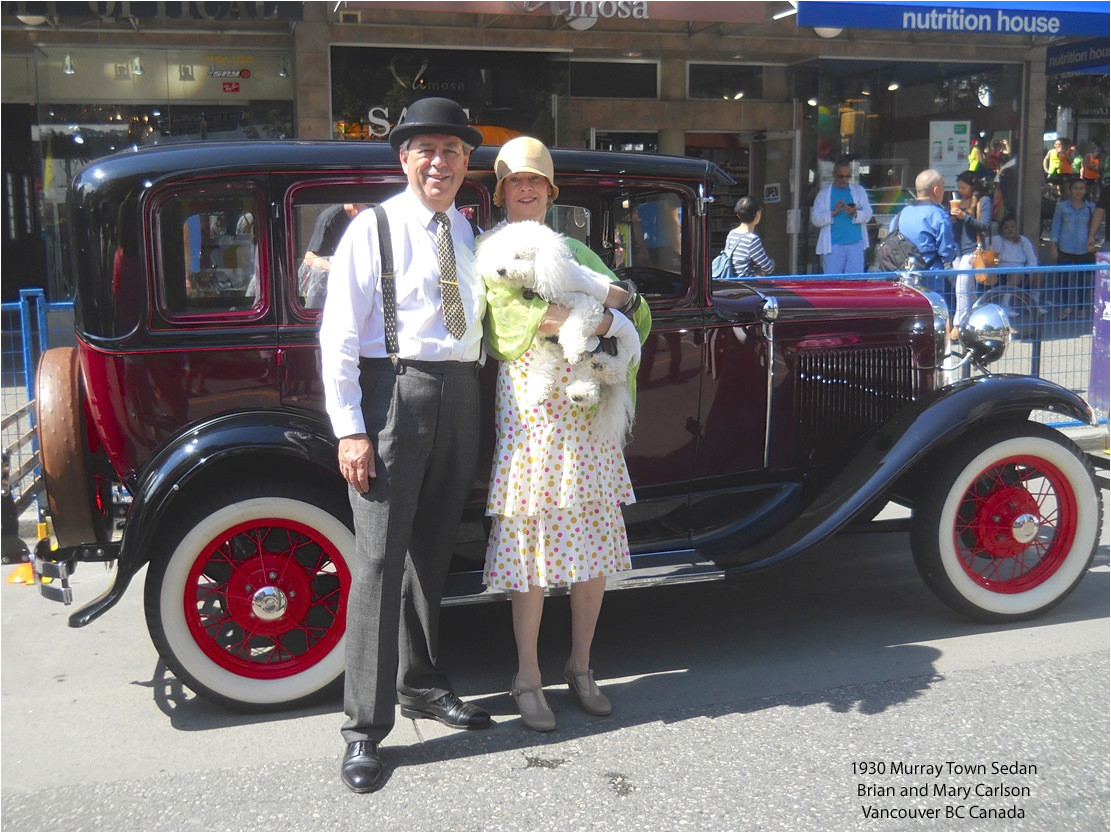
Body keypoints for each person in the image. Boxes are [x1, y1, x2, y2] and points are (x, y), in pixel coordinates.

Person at [319, 97, 491, 794]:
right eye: (426, 149)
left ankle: (422, 684)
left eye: (452, 150)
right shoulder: (373, 229)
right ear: (403, 158)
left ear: (465, 164)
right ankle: (364, 728)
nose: (439, 162)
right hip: (394, 393)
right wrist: (351, 428)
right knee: (380, 559)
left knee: (432, 550)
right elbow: (335, 334)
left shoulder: (469, 229)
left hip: (461, 392)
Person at [478, 136, 651, 732]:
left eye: (536, 182)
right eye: (514, 182)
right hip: (531, 411)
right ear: (502, 193)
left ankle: (581, 666)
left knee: (592, 540)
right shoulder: (491, 250)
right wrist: (589, 315)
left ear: (550, 192)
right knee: (531, 541)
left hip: (587, 412)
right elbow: (507, 325)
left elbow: (639, 312)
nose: (525, 190)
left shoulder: (573, 247)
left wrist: (603, 316)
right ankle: (527, 675)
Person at [887, 169, 958, 300]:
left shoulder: (901, 214)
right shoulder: (939, 215)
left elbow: (890, 237)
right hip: (930, 276)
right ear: (936, 191)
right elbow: (947, 251)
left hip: (902, 276)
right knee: (933, 315)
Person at [809, 159, 873, 274]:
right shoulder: (823, 194)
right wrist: (832, 213)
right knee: (833, 283)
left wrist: (855, 213)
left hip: (855, 243)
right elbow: (815, 220)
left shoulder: (859, 191)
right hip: (833, 245)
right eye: (841, 176)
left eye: (847, 176)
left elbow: (868, 214)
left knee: (854, 283)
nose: (844, 180)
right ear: (833, 175)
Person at [949, 170, 994, 333]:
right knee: (966, 287)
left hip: (974, 248)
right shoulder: (960, 202)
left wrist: (964, 217)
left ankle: (957, 325)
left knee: (962, 285)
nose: (960, 191)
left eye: (963, 187)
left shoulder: (984, 201)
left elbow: (985, 225)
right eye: (958, 187)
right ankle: (974, 317)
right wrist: (954, 220)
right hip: (958, 249)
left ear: (972, 186)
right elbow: (957, 228)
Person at [299, 203, 369, 308]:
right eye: (368, 206)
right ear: (355, 205)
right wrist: (339, 269)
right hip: (325, 288)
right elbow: (310, 259)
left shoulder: (368, 221)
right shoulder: (329, 219)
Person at [1049, 176, 1097, 319]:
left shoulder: (1091, 207)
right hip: (1065, 248)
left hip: (1083, 249)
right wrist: (1053, 246)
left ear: (1085, 190)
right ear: (1070, 190)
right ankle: (1065, 307)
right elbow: (1056, 226)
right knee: (1063, 279)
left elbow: (1094, 229)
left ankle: (1081, 309)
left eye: (1081, 188)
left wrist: (1093, 243)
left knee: (1082, 280)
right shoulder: (1062, 206)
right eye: (1075, 188)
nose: (1078, 191)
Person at [724, 195, 775, 278]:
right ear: (757, 214)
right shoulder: (752, 239)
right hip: (747, 285)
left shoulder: (731, 234)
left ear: (738, 215)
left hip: (732, 281)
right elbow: (768, 268)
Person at [996, 215, 1040, 301]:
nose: (1010, 229)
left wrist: (1031, 272)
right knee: (1017, 272)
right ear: (1002, 230)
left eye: (1013, 227)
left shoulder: (1024, 241)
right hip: (1003, 274)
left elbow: (1032, 258)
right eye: (1006, 227)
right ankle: (1005, 303)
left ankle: (1034, 303)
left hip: (1023, 273)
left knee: (1039, 272)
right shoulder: (998, 240)